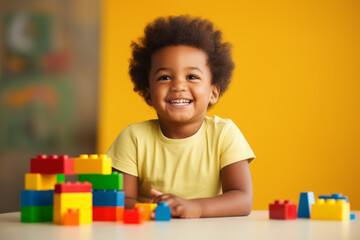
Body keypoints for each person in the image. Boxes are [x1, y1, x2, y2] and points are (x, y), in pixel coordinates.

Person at [107, 15, 255, 218]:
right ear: (148, 94)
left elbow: (242, 199)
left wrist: (195, 208)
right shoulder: (132, 139)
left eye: (192, 77)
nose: (178, 85)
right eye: (165, 77)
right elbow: (121, 201)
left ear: (213, 92)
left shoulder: (224, 134)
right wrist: (153, 208)